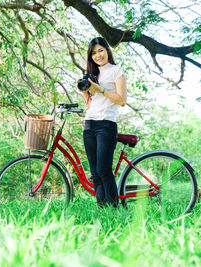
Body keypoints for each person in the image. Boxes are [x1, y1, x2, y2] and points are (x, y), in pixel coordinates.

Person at [81, 37, 127, 208]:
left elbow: (121, 100)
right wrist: (86, 91)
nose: (97, 55)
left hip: (106, 125)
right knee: (95, 173)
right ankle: (103, 212)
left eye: (100, 50)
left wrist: (100, 89)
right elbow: (92, 104)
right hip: (90, 125)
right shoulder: (93, 74)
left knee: (104, 170)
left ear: (107, 50)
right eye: (93, 53)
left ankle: (114, 210)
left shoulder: (117, 71)